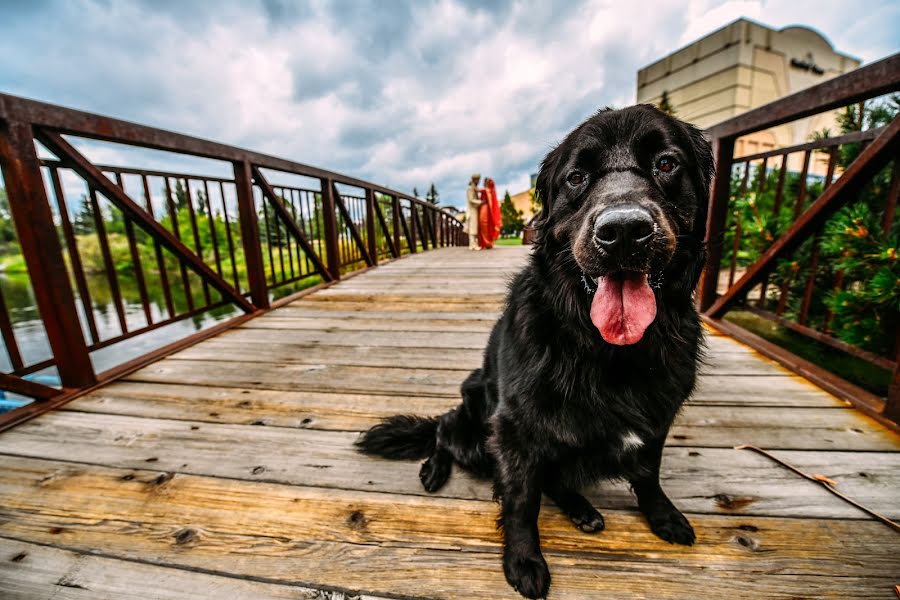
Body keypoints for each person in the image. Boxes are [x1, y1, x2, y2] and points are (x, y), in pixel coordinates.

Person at [478, 177, 502, 249]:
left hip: (486, 209)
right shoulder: (488, 190)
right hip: (484, 208)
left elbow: (478, 190)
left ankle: (487, 242)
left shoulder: (488, 190)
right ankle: (485, 242)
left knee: (485, 223)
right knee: (484, 224)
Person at [466, 173, 482, 250]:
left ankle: (474, 244)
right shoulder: (470, 188)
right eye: (478, 180)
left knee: (474, 227)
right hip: (472, 210)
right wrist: (480, 202)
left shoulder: (474, 188)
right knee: (473, 228)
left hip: (475, 210)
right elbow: (471, 200)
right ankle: (472, 245)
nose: (479, 181)